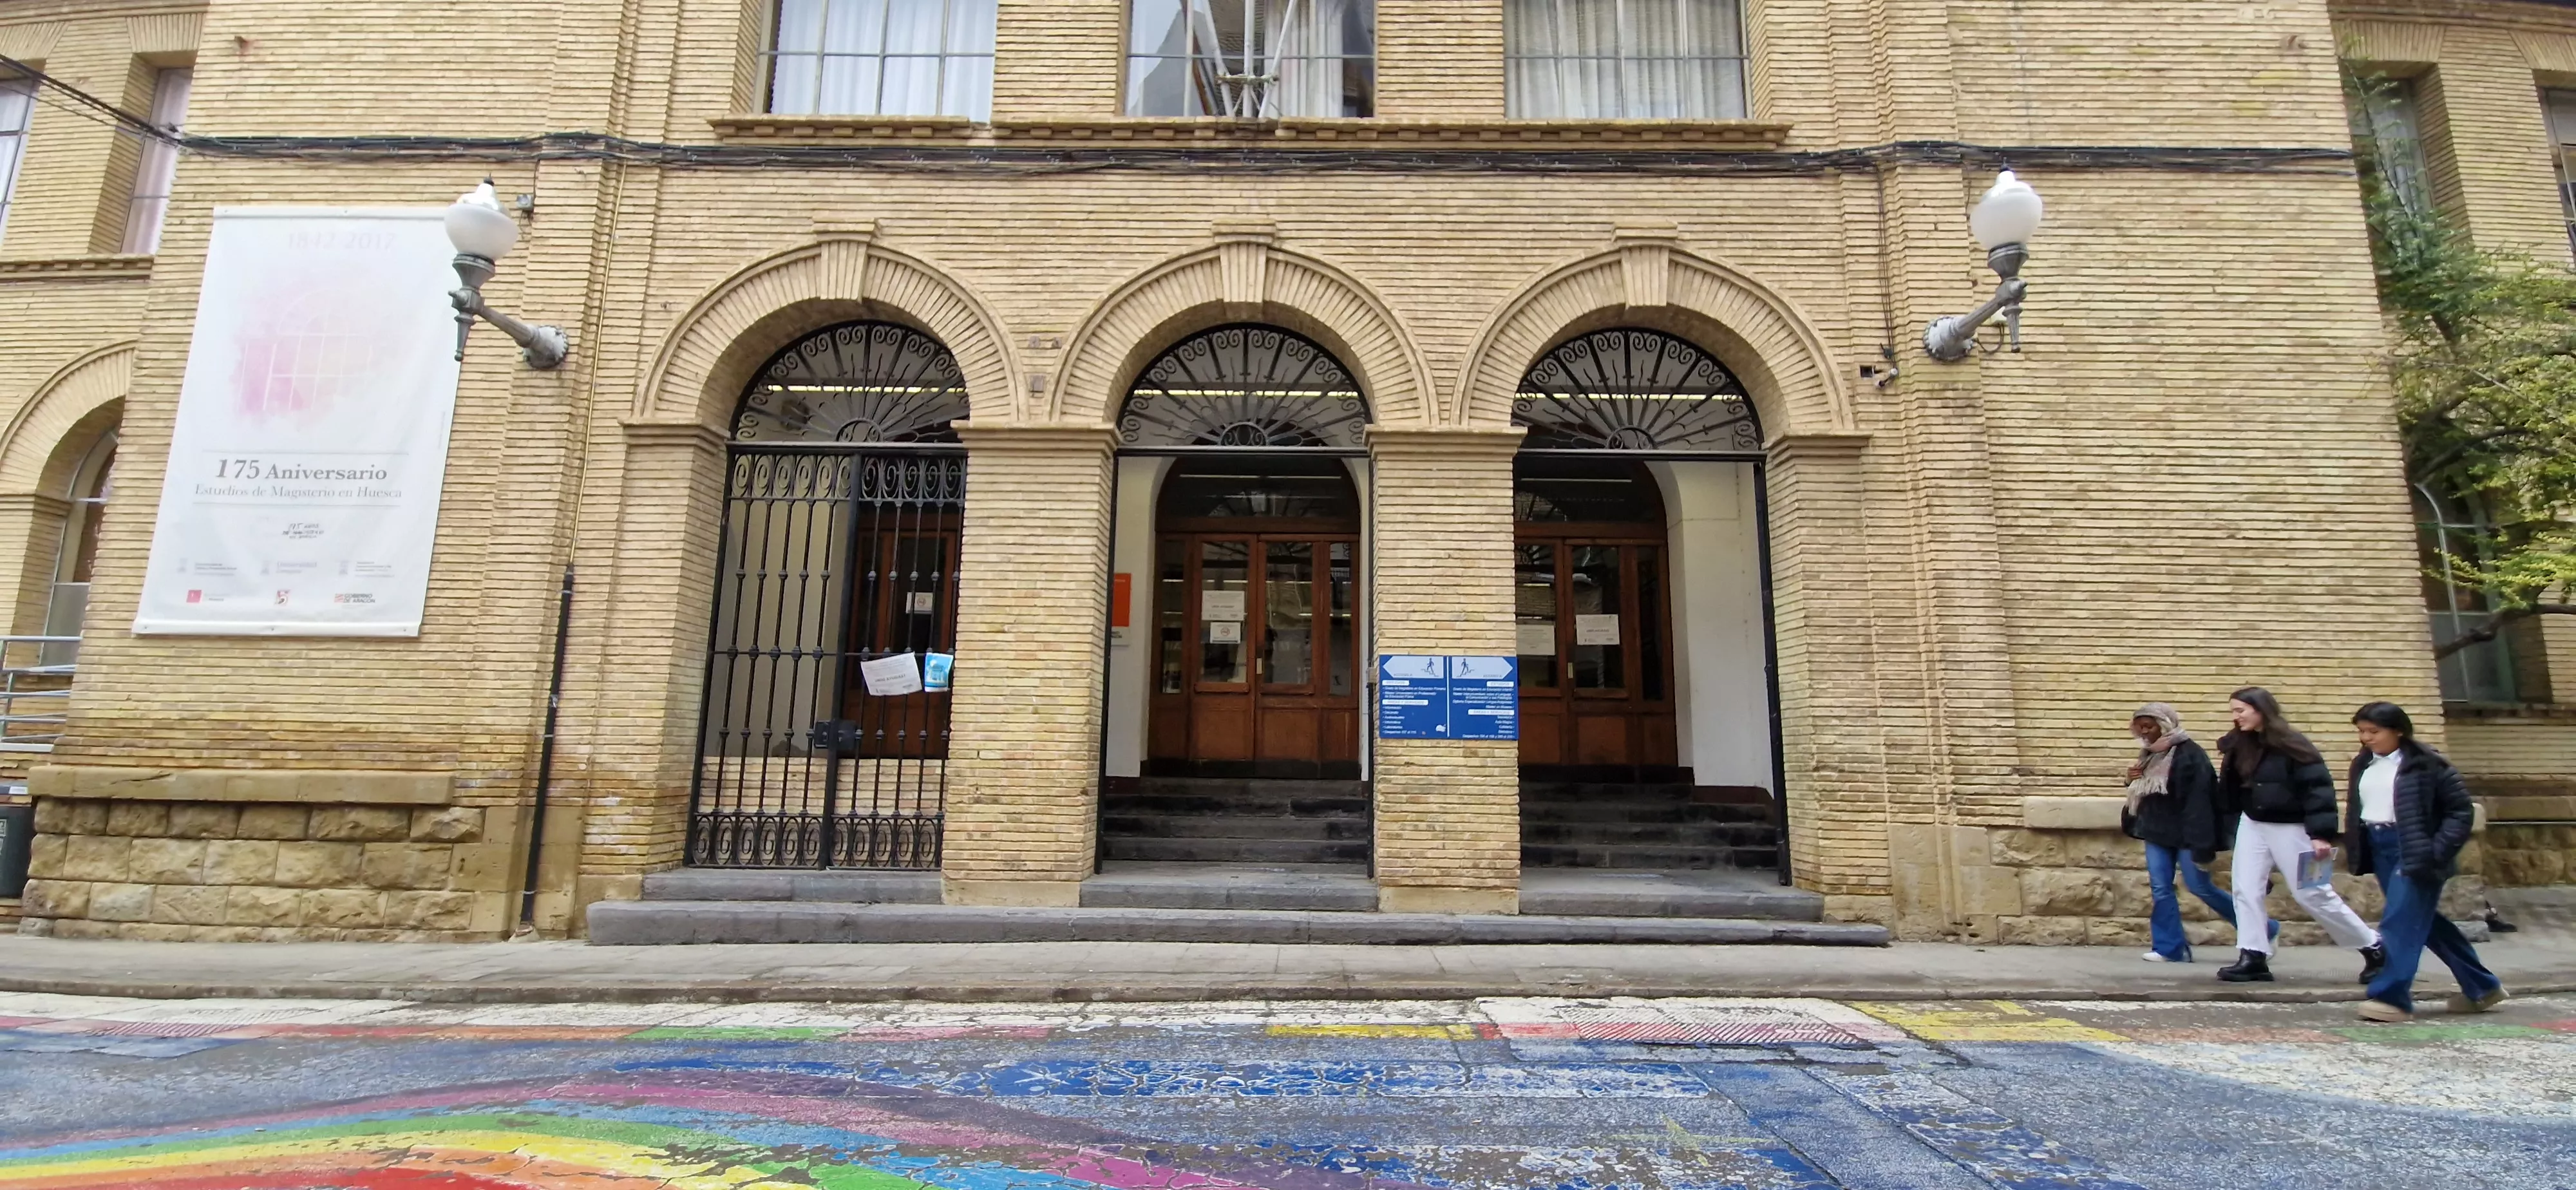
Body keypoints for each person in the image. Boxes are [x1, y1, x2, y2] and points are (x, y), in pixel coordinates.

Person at [2347, 701, 2508, 1022]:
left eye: (2374, 732)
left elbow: (2460, 812)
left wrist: (2436, 852)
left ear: (2399, 731)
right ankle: (2483, 986)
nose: (2367, 738)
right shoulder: (2364, 763)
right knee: (2427, 923)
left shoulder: (2428, 764)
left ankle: (2392, 997)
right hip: (2380, 847)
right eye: (2362, 732)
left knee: (2399, 922)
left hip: (2416, 849)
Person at [2213, 687, 2384, 983]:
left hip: (2292, 827)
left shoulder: (2292, 745)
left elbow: (2318, 789)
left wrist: (2320, 834)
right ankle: (2253, 954)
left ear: (2260, 709)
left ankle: (2373, 946)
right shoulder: (2240, 745)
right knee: (2245, 888)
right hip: (2253, 823)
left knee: (2312, 892)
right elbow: (2230, 791)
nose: (2236, 717)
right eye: (2233, 711)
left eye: (2240, 710)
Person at [2119, 703, 2249, 962]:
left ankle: (2262, 930)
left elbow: (2200, 802)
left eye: (2150, 726)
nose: (2144, 732)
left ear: (2165, 725)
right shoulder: (2149, 754)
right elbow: (2147, 793)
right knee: (2160, 888)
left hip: (2188, 834)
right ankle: (2170, 948)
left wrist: (2201, 843)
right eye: (2140, 726)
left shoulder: (2190, 755)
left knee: (2200, 887)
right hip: (2156, 832)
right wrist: (2130, 779)